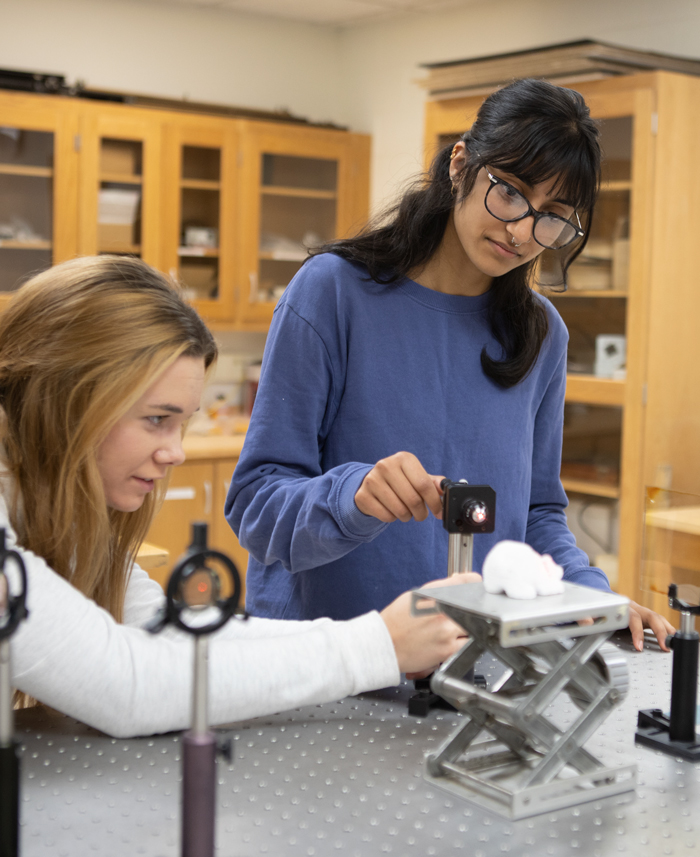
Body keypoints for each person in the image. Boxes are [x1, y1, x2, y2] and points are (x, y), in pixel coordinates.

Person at [226, 78, 673, 651]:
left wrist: (592, 595)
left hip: (472, 669)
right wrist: (352, 496)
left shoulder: (540, 333)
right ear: (460, 163)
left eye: (552, 217)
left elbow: (534, 514)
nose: (521, 231)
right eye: (509, 192)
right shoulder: (332, 293)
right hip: (330, 664)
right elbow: (257, 505)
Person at [0, 255, 474, 739]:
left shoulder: (58, 519)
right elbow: (126, 684)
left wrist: (386, 634)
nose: (176, 452)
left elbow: (179, 631)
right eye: (156, 419)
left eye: (182, 424)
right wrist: (379, 647)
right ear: (63, 399)